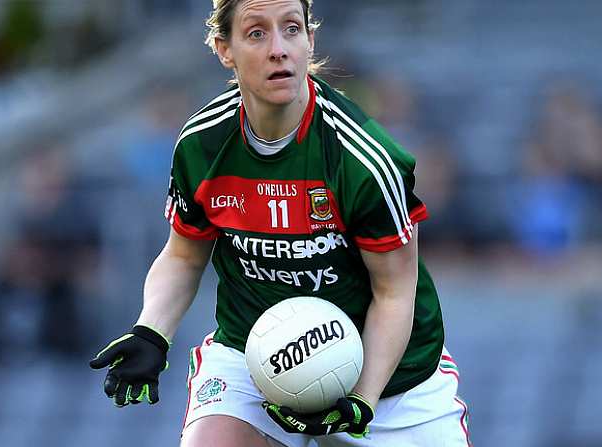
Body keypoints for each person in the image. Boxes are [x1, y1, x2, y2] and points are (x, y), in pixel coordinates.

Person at [89, 1, 471, 446]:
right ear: (223, 49)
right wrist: (151, 331)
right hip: (257, 359)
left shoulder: (364, 160)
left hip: (391, 385)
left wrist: (361, 400)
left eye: (291, 29)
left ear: (310, 40)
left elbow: (395, 292)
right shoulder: (202, 145)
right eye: (256, 33)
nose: (278, 49)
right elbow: (183, 255)